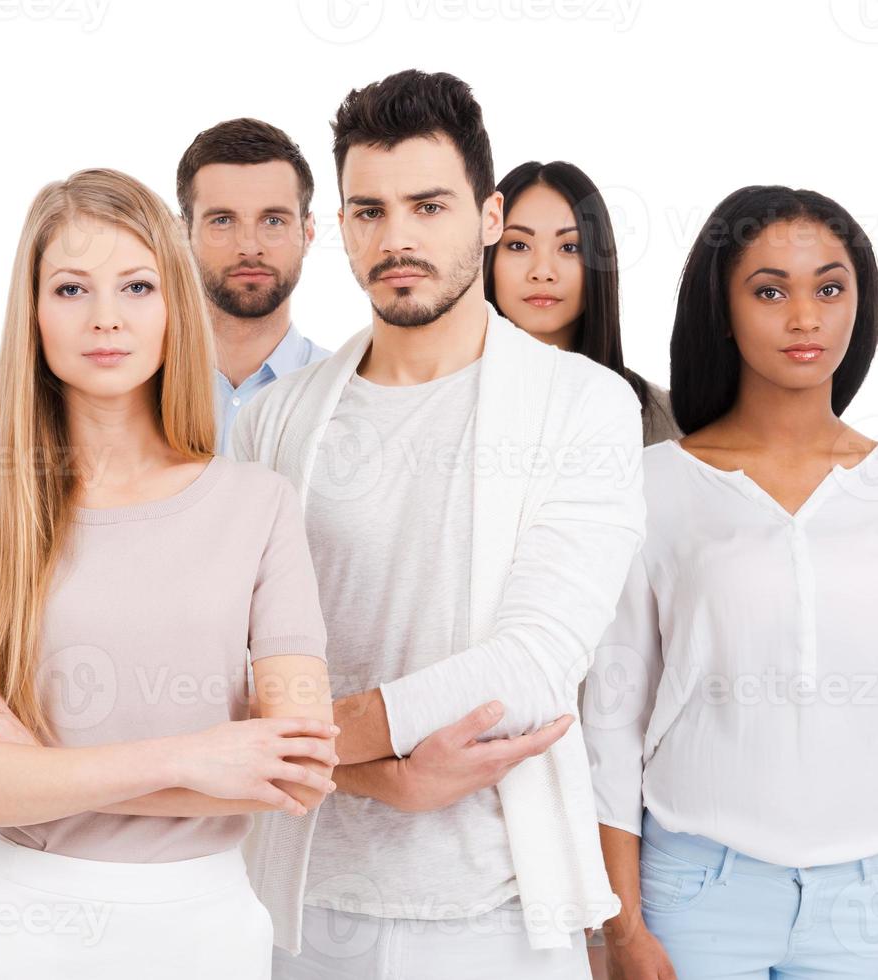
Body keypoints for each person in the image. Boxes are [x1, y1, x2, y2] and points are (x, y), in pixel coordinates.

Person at [232, 70, 646, 977]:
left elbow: (534, 663)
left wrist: (306, 739)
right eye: (368, 211)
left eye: (427, 205)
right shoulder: (276, 418)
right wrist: (384, 771)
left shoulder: (584, 406)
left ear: (489, 217)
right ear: (339, 225)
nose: (397, 239)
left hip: (494, 913)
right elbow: (229, 665)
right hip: (299, 906)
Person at [0, 167, 338, 979]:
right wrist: (188, 759)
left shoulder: (258, 506)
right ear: (32, 314)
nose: (105, 318)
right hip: (21, 931)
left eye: (136, 286)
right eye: (71, 289)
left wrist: (30, 770)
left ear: (173, 303)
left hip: (205, 930)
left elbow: (298, 768)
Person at [585, 185, 878, 979]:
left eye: (828, 287)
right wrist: (622, 927)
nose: (804, 317)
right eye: (769, 291)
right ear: (720, 307)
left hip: (863, 903)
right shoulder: (652, 485)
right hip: (695, 894)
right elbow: (611, 722)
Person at [486, 160, 680, 445]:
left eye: (569, 247)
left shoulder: (659, 419)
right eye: (518, 245)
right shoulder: (444, 399)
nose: (542, 272)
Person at [176, 118, 330, 453]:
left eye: (273, 221)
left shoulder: (345, 392)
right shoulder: (137, 389)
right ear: (183, 234)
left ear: (308, 232)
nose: (249, 246)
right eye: (222, 220)